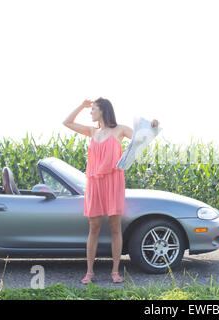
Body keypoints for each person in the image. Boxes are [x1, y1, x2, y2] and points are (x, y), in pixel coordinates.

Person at [63, 97, 159, 284]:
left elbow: (144, 138)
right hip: (94, 183)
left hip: (113, 182)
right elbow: (67, 122)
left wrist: (154, 126)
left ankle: (115, 271)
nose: (91, 113)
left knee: (116, 228)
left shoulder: (120, 129)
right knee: (94, 228)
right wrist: (82, 106)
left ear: (103, 110)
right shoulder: (92, 131)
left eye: (93, 109)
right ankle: (89, 272)